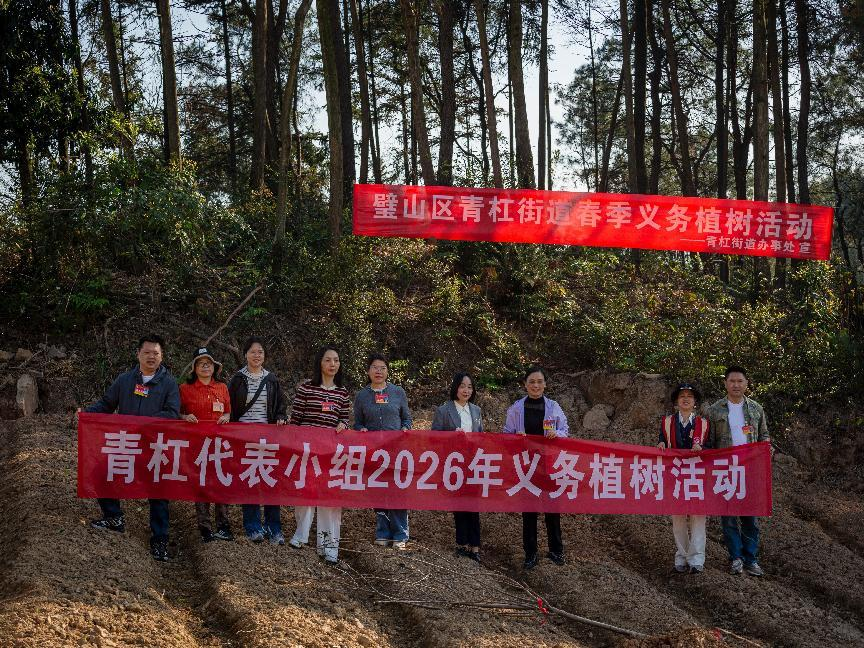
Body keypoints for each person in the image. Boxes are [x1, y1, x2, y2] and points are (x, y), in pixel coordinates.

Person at [84, 334, 180, 562]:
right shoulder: (125, 380)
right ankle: (113, 517)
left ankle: (160, 540)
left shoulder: (169, 384)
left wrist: (145, 423)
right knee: (101, 473)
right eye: (147, 352)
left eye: (155, 353)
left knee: (158, 493)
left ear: (162, 356)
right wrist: (86, 414)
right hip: (126, 444)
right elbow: (106, 404)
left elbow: (172, 413)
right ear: (138, 354)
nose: (151, 357)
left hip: (154, 447)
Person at [705, 365, 771, 577]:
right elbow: (709, 443)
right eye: (732, 381)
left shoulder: (756, 409)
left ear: (746, 384)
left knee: (750, 517)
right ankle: (735, 558)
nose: (736, 385)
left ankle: (751, 559)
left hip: (750, 471)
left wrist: (765, 448)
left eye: (739, 381)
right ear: (725, 383)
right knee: (729, 517)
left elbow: (764, 435)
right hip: (725, 471)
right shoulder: (714, 411)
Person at [288, 346, 351, 564]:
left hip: (330, 453)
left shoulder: (342, 392)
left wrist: (343, 424)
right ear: (320, 363)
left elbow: (344, 418)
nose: (333, 364)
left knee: (329, 498)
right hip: (307, 452)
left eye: (336, 360)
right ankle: (300, 536)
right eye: (328, 360)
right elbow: (295, 420)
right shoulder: (306, 388)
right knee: (305, 492)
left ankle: (329, 546)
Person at [503, 365, 569, 569]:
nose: (536, 385)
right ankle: (530, 553)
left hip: (549, 464)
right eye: (531, 382)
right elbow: (506, 434)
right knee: (529, 511)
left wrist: (556, 434)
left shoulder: (553, 407)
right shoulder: (516, 408)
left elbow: (565, 431)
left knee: (552, 508)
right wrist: (516, 438)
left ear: (545, 384)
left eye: (539, 382)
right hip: (526, 466)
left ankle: (556, 550)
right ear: (525, 384)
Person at [227, 336, 288, 545]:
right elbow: (229, 407)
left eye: (260, 352)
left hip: (267, 437)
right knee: (250, 481)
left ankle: (274, 528)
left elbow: (280, 405)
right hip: (244, 438)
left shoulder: (271, 380)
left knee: (271, 482)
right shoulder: (237, 379)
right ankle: (253, 527)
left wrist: (281, 416)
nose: (256, 355)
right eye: (252, 352)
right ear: (245, 354)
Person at [353, 353, 412, 549]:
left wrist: (405, 428)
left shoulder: (398, 392)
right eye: (375, 367)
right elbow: (358, 422)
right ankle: (383, 532)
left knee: (397, 490)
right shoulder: (362, 396)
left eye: (382, 368)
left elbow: (407, 419)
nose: (378, 371)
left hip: (396, 451)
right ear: (368, 371)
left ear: (387, 371)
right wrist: (361, 429)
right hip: (374, 452)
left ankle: (400, 534)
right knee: (377, 491)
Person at [179, 346, 234, 543]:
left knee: (220, 482)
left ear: (214, 367)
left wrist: (226, 417)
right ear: (194, 368)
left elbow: (228, 411)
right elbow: (176, 412)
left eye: (209, 363)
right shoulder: (185, 389)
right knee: (201, 483)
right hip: (197, 445)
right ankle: (205, 528)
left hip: (219, 444)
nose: (205, 367)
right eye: (201, 363)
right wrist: (185, 417)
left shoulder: (222, 387)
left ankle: (223, 526)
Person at [431, 372, 484, 561]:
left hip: (473, 463)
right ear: (455, 387)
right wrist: (452, 436)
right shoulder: (443, 410)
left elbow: (481, 436)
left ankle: (475, 546)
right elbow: (434, 438)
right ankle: (462, 543)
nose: (466, 390)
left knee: (474, 505)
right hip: (453, 464)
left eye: (469, 387)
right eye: (462, 386)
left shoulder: (476, 410)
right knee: (459, 505)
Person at [657, 383, 709, 574]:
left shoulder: (703, 424)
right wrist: (661, 444)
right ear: (676, 402)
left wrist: (702, 449)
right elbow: (662, 440)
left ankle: (696, 559)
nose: (686, 399)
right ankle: (681, 555)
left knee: (698, 516)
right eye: (682, 396)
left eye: (689, 396)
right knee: (678, 517)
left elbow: (712, 447)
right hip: (676, 474)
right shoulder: (667, 422)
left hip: (697, 474)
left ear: (695, 402)